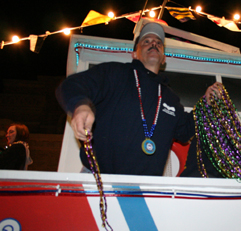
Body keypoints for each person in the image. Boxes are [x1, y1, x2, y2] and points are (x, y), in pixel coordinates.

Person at [57, 22, 221, 175]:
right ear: (134, 53)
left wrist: (206, 103)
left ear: (163, 58)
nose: (153, 44)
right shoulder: (115, 73)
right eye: (147, 41)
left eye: (158, 43)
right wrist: (80, 106)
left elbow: (185, 130)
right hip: (99, 178)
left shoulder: (170, 98)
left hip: (144, 188)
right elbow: (73, 85)